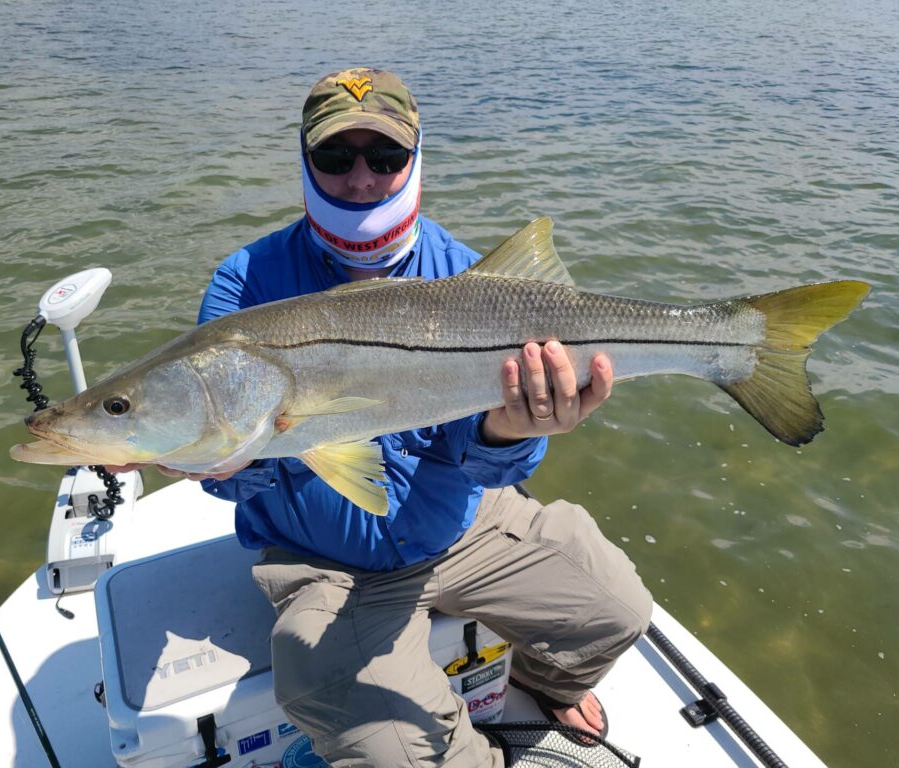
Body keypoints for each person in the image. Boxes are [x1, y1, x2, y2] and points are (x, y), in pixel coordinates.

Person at [126, 68, 652, 767]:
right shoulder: (246, 283)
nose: (362, 179)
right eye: (336, 158)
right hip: (326, 565)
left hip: (460, 528)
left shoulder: (465, 274)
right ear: (306, 162)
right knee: (408, 760)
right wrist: (218, 464)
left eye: (386, 156)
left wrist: (513, 429)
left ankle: (540, 678)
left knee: (619, 610)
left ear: (416, 158)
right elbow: (227, 471)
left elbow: (495, 462)